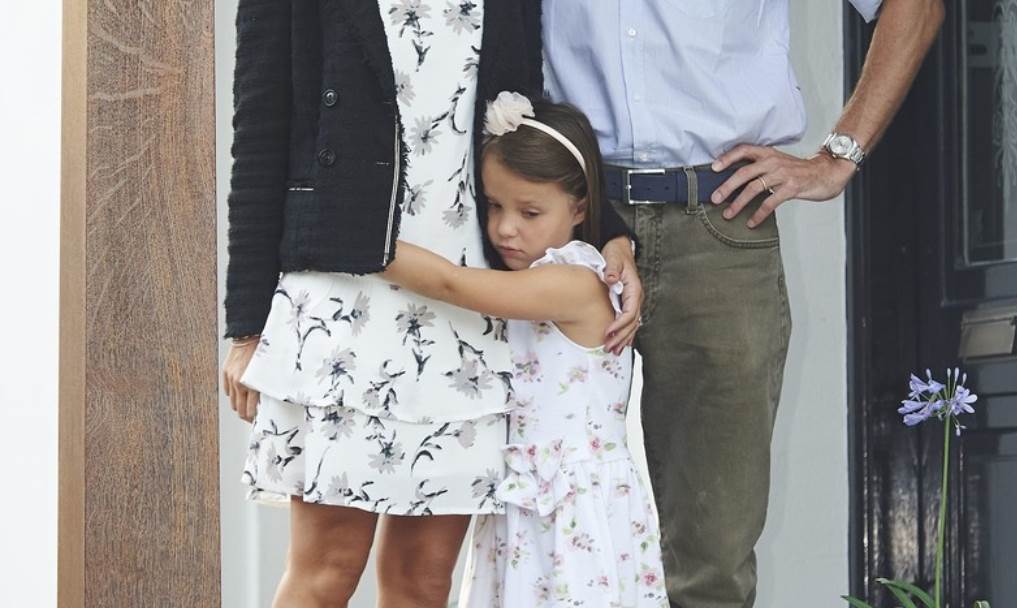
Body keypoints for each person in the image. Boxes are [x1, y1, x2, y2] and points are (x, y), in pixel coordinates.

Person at [219, 2, 641, 607]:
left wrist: (608, 232)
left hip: (467, 314)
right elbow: (259, 138)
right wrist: (246, 326)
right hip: (343, 295)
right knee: (326, 568)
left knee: (422, 579)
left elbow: (536, 118)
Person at [541, 1, 945, 606]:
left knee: (712, 560)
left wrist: (838, 157)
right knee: (540, 519)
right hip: (563, 223)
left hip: (720, 225)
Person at [382, 92, 668, 608]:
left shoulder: (576, 282)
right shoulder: (537, 275)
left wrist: (362, 240)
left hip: (572, 507)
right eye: (494, 205)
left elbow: (450, 283)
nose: (504, 228)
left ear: (580, 208)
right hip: (526, 498)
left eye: (529, 211)